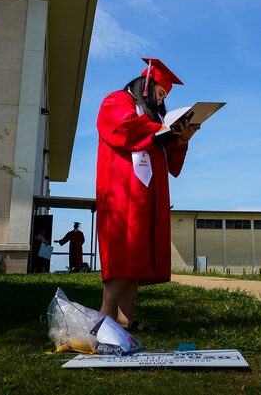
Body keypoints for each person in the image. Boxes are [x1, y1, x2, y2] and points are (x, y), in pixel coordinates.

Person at [95, 57, 195, 332]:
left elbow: (171, 163)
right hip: (123, 188)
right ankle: (104, 315)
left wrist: (181, 138)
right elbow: (123, 128)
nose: (162, 101)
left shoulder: (156, 118)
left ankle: (126, 318)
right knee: (124, 250)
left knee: (139, 251)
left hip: (150, 192)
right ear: (147, 85)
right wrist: (161, 130)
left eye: (165, 97)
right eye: (161, 93)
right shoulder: (117, 101)